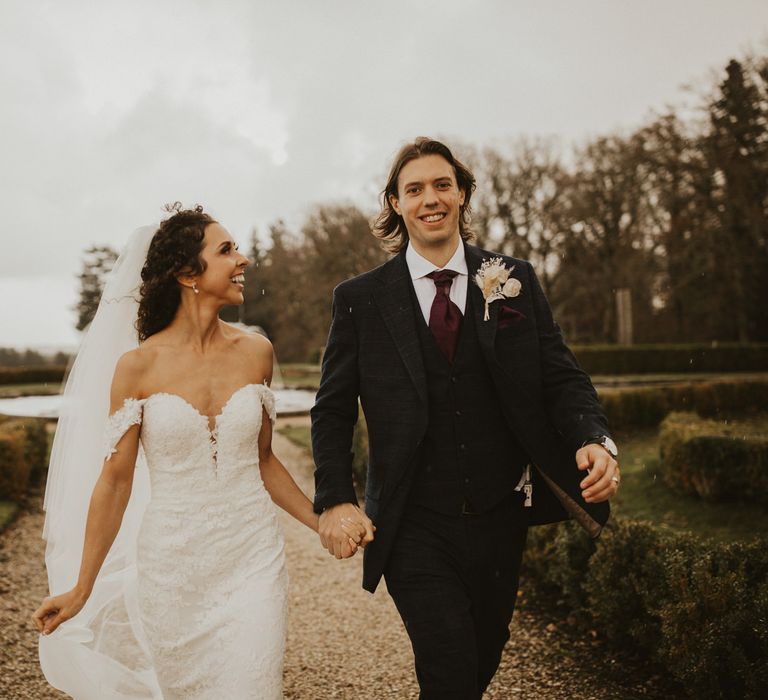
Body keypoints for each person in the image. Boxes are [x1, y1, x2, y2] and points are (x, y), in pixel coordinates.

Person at [311, 138, 621, 699]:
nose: (430, 198)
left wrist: (594, 438)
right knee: (449, 663)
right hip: (412, 523)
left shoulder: (514, 279)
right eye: (415, 189)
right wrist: (335, 497)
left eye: (442, 185)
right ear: (396, 205)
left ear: (461, 195)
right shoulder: (359, 299)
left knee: (481, 656)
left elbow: (560, 377)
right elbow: (331, 409)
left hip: (501, 516)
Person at [32, 204, 363, 699]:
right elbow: (116, 480)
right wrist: (82, 588)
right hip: (171, 572)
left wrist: (322, 522)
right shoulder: (137, 367)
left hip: (253, 559)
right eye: (226, 250)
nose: (243, 259)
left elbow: (264, 460)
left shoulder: (258, 352)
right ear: (188, 273)